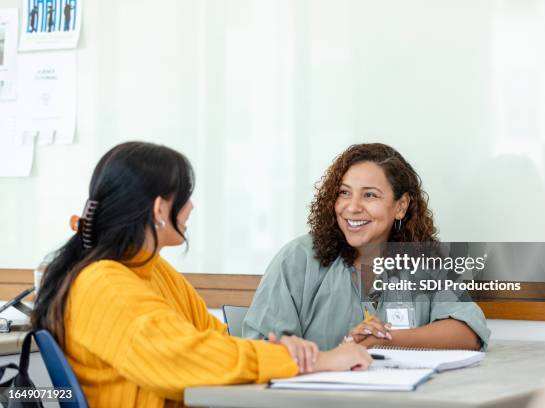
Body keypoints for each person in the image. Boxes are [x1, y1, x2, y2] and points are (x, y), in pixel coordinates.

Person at [31, 142, 371, 408]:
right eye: (185, 197)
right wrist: (318, 360)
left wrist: (288, 352)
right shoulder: (104, 284)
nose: (191, 207)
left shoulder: (152, 270)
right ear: (159, 208)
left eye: (370, 196)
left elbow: (215, 344)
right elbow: (187, 360)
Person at [243, 143, 490, 351]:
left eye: (369, 195)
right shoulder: (297, 259)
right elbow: (263, 348)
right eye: (344, 193)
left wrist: (382, 339)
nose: (352, 207)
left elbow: (468, 331)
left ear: (401, 206)